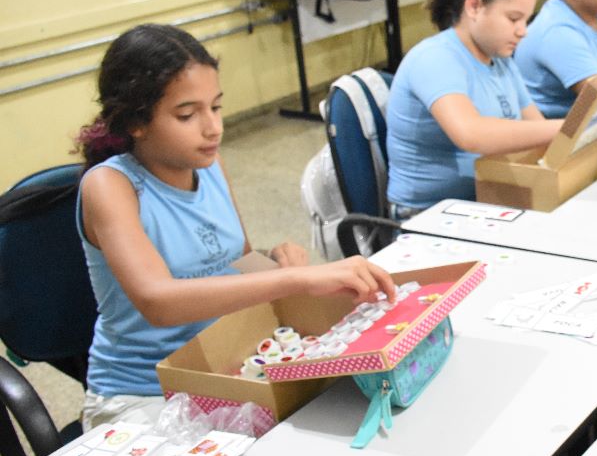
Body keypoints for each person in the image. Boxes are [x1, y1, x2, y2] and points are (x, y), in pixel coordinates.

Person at [77, 24, 397, 429]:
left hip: (220, 366)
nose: (213, 128)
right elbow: (158, 301)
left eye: (216, 107)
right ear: (136, 121)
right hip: (143, 393)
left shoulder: (207, 165)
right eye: (187, 115)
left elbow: (239, 259)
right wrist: (297, 281)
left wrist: (284, 268)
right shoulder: (110, 186)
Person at [386, 0, 560, 217]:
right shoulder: (435, 58)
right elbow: (471, 134)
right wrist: (565, 128)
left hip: (486, 200)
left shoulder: (500, 59)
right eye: (514, 18)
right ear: (475, 6)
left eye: (526, 20)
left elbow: (536, 129)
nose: (523, 31)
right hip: (431, 213)